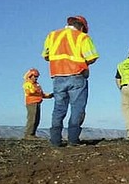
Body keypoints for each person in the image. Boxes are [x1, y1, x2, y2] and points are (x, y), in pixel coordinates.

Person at [42, 15, 99, 146]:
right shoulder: (82, 37)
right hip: (77, 76)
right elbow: (92, 57)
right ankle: (73, 139)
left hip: (57, 77)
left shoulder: (52, 35)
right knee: (77, 108)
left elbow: (46, 56)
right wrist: (83, 65)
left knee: (59, 109)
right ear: (82, 26)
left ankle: (55, 140)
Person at [22, 68, 52, 140]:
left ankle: (32, 134)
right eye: (34, 76)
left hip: (37, 102)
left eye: (37, 77)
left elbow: (41, 94)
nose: (36, 78)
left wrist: (50, 96)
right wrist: (35, 90)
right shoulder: (27, 84)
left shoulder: (37, 85)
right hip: (31, 103)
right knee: (32, 119)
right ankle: (28, 134)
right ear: (30, 76)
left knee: (36, 119)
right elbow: (29, 92)